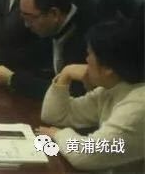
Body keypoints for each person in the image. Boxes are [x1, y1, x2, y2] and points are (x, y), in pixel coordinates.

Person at [37, 18, 144, 172]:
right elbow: (55, 116)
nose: (86, 60)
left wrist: (58, 134)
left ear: (108, 68)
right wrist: (65, 75)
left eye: (89, 54)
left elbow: (85, 155)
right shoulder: (110, 89)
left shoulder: (138, 107)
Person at [0, 0, 88, 99]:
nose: (26, 25)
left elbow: (72, 92)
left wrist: (12, 79)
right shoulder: (55, 25)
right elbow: (32, 53)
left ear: (54, 14)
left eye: (30, 18)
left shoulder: (84, 37)